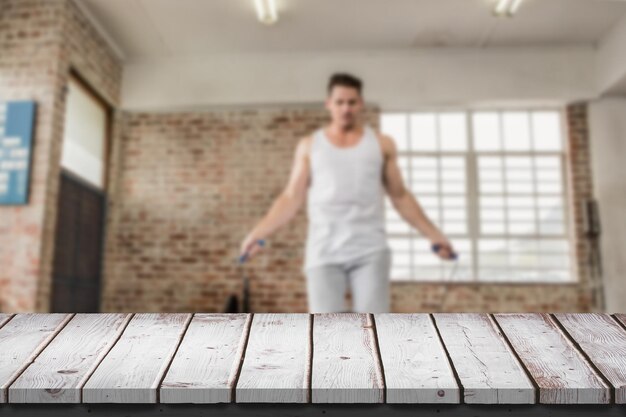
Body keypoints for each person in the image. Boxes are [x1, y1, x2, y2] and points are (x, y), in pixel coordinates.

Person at [239, 72, 456, 313]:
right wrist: (257, 233)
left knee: (373, 329)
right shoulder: (310, 146)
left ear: (360, 103)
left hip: (370, 250)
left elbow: (400, 196)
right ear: (328, 104)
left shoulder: (382, 144)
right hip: (324, 251)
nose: (346, 109)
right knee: (323, 331)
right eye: (340, 102)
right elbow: (291, 197)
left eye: (352, 102)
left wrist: (434, 235)